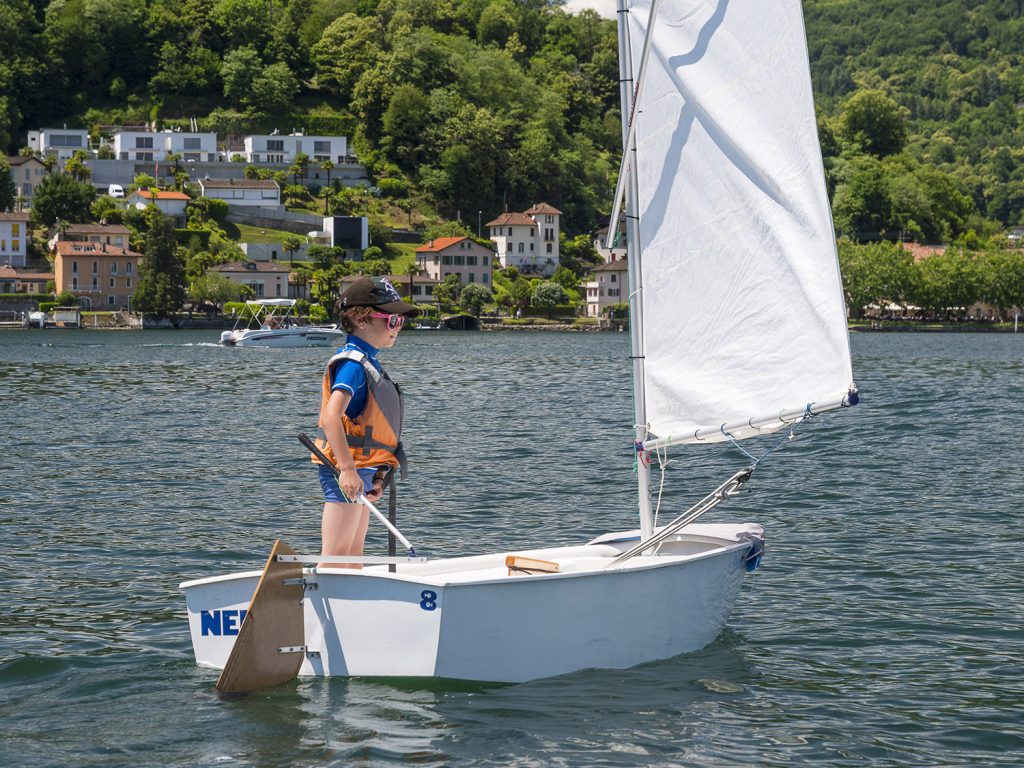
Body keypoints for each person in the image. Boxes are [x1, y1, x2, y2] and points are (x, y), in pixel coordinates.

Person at [310, 277, 418, 569]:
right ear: (361, 319)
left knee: (354, 555)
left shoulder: (369, 364)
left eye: (400, 321)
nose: (398, 327)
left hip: (364, 471)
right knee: (336, 556)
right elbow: (330, 417)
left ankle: (352, 596)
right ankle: (322, 594)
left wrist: (379, 476)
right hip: (346, 470)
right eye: (392, 320)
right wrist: (347, 470)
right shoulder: (353, 366)